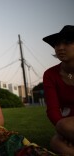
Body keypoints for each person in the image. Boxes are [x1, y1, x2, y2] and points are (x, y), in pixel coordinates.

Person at [43, 25, 74, 155]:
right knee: (56, 143)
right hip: (68, 125)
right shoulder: (50, 74)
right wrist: (65, 133)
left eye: (67, 43)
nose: (60, 48)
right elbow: (52, 109)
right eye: (57, 44)